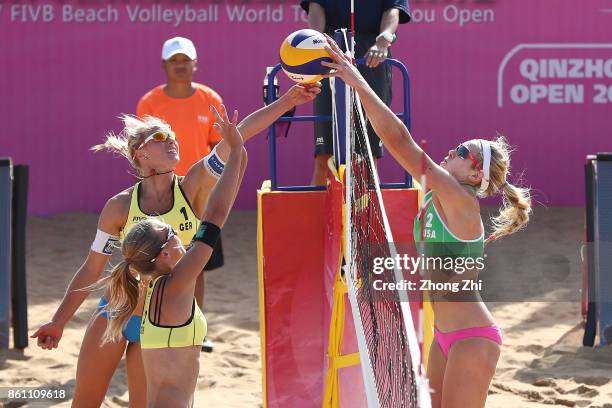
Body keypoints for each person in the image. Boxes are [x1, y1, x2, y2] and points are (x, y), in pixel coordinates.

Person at [31, 84, 320, 408]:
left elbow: (239, 136)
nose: (172, 140)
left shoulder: (192, 186)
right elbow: (92, 268)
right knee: (84, 402)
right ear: (140, 153)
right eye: (161, 137)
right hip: (116, 312)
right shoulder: (120, 206)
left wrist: (289, 100)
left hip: (159, 322)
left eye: (173, 137)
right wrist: (59, 321)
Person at [322, 37, 532, 408]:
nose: (452, 151)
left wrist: (358, 82)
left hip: (473, 337)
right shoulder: (438, 197)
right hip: (444, 333)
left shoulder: (460, 200)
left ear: (474, 172)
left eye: (462, 152)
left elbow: (400, 142)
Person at [98, 104, 246, 407]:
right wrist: (237, 148)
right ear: (165, 254)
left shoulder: (150, 296)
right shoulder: (178, 285)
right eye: (172, 235)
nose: (179, 236)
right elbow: (217, 212)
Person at [137, 37, 227, 350]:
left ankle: (194, 329)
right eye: (173, 60)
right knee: (152, 265)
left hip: (199, 197)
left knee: (196, 265)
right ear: (164, 65)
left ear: (194, 64)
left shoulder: (209, 98)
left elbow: (220, 147)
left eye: (184, 59)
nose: (179, 64)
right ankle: (150, 325)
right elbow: (143, 151)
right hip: (163, 194)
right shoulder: (150, 103)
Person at [300, 0, 411, 185]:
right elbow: (316, 6)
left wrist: (383, 41)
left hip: (371, 56)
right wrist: (317, 41)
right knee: (324, 156)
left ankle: (369, 212)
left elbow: (393, 11)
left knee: (368, 156)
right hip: (331, 54)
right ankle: (315, 212)